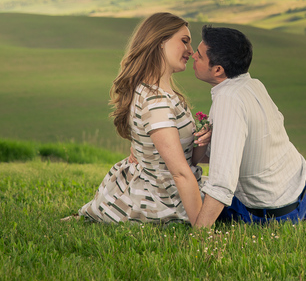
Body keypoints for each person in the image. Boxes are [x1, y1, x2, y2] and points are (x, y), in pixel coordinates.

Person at [191, 25, 306, 227]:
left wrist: (199, 235)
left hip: (272, 213)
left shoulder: (228, 99)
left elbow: (222, 184)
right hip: (300, 187)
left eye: (199, 55)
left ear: (218, 69)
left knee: (189, 194)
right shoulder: (253, 85)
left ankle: (305, 219)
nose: (193, 56)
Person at [73, 13, 211, 224]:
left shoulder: (157, 92)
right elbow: (180, 173)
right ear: (160, 42)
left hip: (162, 187)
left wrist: (202, 139)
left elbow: (183, 157)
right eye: (184, 41)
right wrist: (204, 233)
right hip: (162, 201)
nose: (191, 51)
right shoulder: (156, 101)